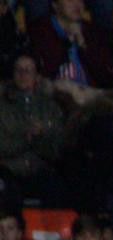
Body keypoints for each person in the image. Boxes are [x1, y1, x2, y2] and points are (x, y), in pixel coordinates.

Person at [0, 54, 66, 204]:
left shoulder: (51, 108)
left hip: (40, 170)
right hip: (8, 171)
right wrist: (26, 137)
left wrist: (40, 136)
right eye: (18, 70)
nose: (22, 75)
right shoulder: (2, 106)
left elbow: (57, 149)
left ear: (37, 76)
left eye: (27, 70)